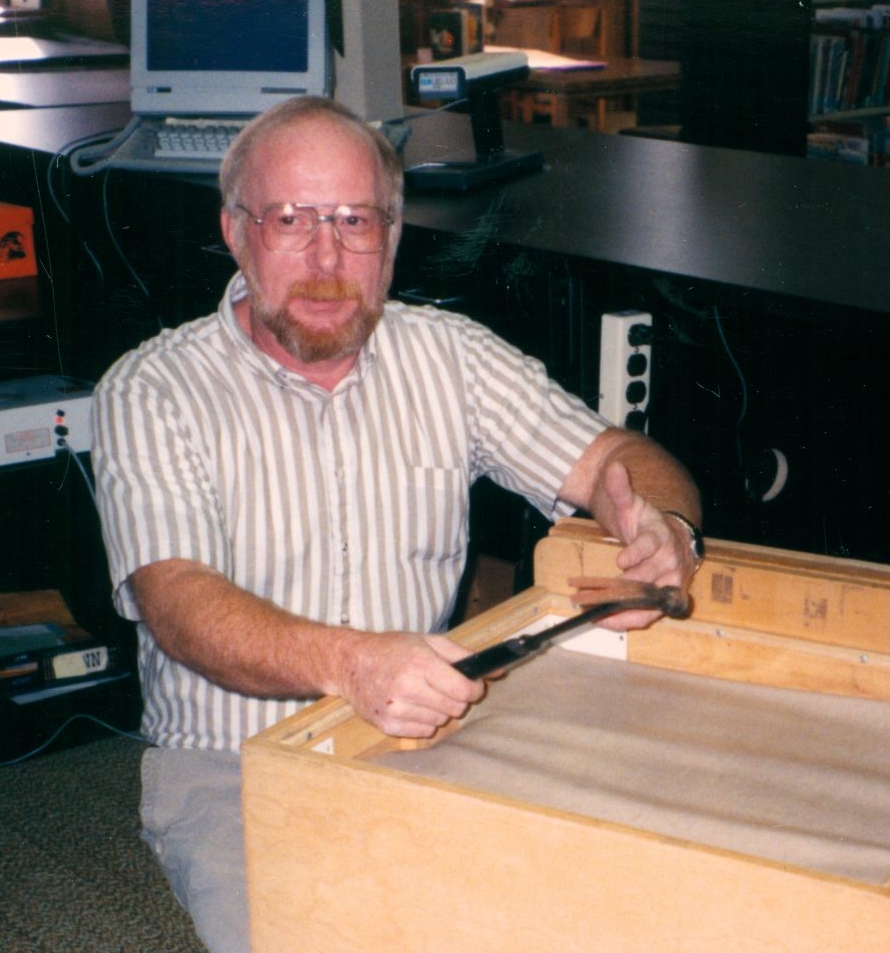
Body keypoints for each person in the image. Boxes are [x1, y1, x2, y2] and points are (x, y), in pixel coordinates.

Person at [91, 95, 701, 953]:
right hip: (235, 765)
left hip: (433, 729)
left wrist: (663, 525)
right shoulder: (151, 390)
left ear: (394, 235)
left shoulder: (450, 356)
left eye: (355, 221)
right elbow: (180, 604)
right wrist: (353, 663)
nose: (326, 257)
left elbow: (616, 458)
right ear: (235, 232)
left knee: (611, 906)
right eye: (291, 219)